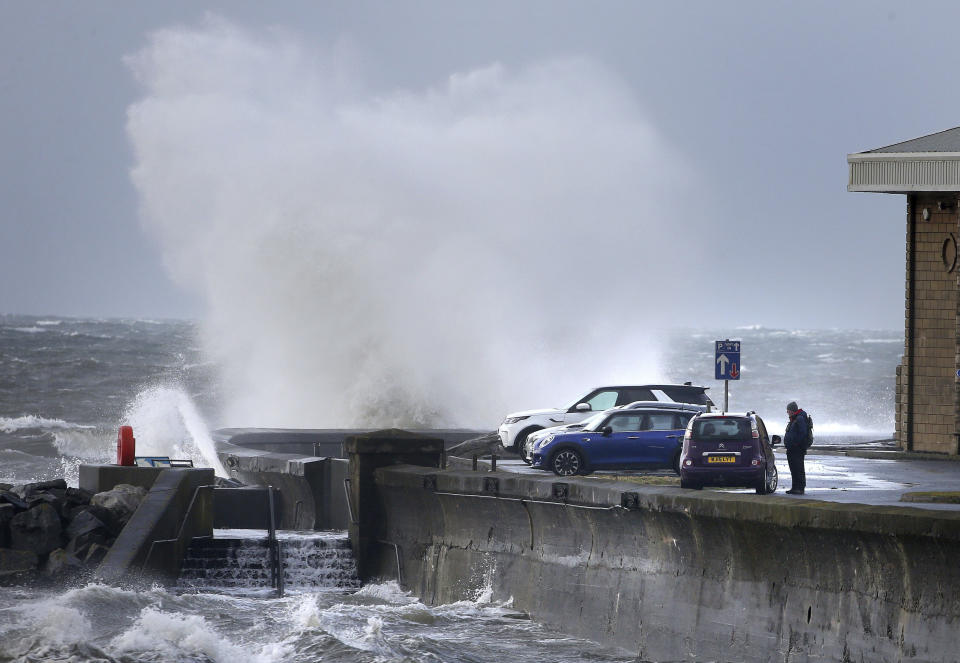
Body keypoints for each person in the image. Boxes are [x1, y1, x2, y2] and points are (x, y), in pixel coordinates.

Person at [783, 401, 809, 495]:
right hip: (792, 449)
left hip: (797, 449)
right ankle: (794, 487)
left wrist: (796, 443)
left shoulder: (800, 418)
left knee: (798, 468)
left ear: (792, 410)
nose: (787, 412)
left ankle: (800, 488)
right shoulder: (794, 418)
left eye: (788, 410)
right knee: (793, 468)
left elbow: (803, 433)